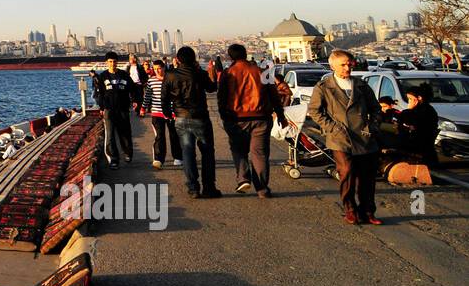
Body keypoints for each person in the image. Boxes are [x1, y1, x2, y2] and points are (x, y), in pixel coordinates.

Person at [307, 49, 384, 225]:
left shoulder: (361, 85)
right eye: (343, 64)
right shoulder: (324, 87)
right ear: (333, 65)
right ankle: (350, 209)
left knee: (367, 177)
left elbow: (376, 109)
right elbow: (314, 111)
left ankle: (368, 211)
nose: (347, 68)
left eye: (350, 64)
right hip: (340, 138)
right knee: (347, 172)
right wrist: (332, 127)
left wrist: (372, 126)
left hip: (364, 136)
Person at [217, 44, 290, 198]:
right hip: (261, 117)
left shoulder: (228, 73)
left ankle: (243, 178)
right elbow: (274, 97)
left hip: (236, 119)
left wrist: (224, 116)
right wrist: (281, 116)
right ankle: (262, 188)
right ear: (245, 54)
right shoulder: (263, 72)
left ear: (230, 57)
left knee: (239, 150)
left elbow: (221, 98)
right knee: (260, 153)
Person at [163, 46, 221, 198]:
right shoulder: (199, 73)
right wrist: (213, 74)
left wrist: (168, 113)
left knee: (187, 152)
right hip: (200, 117)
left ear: (178, 59)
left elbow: (164, 97)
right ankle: (209, 187)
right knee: (207, 152)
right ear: (194, 58)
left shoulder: (170, 75)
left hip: (181, 117)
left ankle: (193, 187)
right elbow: (211, 88)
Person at [93, 52, 138, 169]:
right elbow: (99, 94)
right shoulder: (102, 76)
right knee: (110, 135)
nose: (112, 64)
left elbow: (132, 89)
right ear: (107, 63)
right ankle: (114, 159)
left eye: (114, 61)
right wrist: (102, 107)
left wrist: (134, 100)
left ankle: (127, 153)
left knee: (125, 133)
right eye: (110, 62)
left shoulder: (124, 75)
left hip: (123, 109)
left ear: (117, 62)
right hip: (109, 110)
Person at [141, 60, 179, 169]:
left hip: (171, 112)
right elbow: (147, 96)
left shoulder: (171, 80)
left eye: (160, 68)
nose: (158, 70)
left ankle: (177, 157)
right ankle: (158, 159)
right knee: (159, 136)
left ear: (164, 68)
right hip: (157, 112)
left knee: (174, 135)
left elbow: (176, 95)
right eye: (156, 68)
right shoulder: (151, 81)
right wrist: (143, 107)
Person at [395, 83, 439, 169]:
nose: (409, 101)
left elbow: (405, 118)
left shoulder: (423, 110)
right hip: (423, 144)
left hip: (418, 144)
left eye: (410, 99)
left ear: (419, 98)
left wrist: (409, 110)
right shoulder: (428, 109)